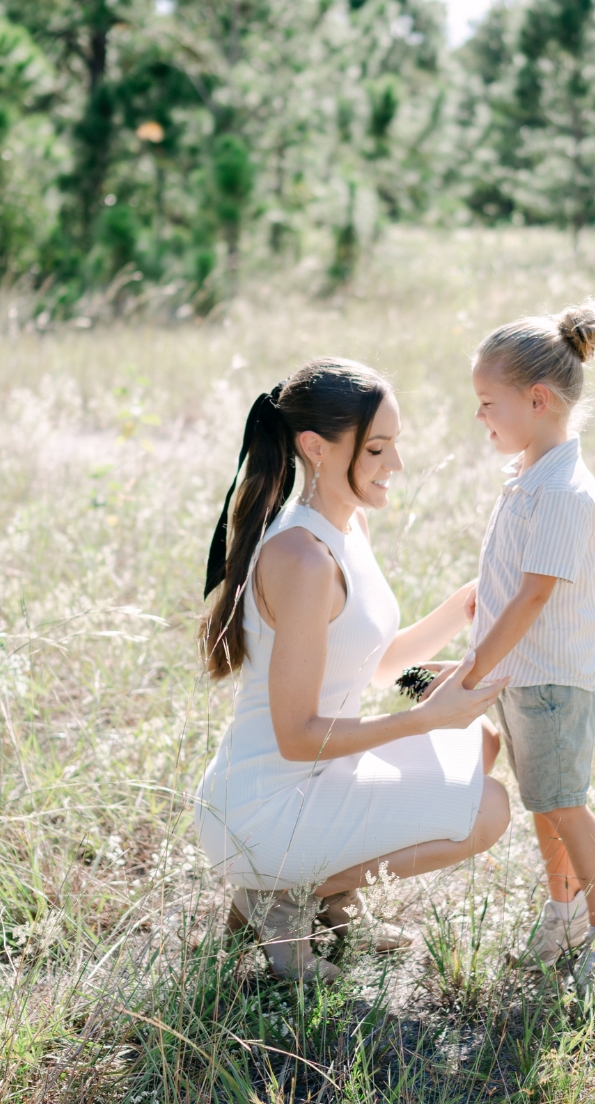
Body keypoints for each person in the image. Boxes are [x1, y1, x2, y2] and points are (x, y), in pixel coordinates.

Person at [193, 357, 509, 983]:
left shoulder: (347, 525)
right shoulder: (302, 558)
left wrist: (464, 605)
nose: (396, 467)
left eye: (395, 446)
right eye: (376, 450)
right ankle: (280, 898)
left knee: (482, 742)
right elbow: (298, 735)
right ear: (314, 447)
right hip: (264, 804)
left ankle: (328, 899)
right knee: (488, 809)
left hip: (315, 774)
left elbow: (373, 661)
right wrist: (421, 721)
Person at [461, 302, 595, 986]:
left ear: (537, 400)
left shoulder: (563, 491)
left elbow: (534, 595)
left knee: (565, 801)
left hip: (552, 681)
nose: (481, 418)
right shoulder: (529, 480)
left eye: (487, 403)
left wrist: (476, 664)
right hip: (523, 678)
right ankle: (562, 912)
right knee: (543, 800)